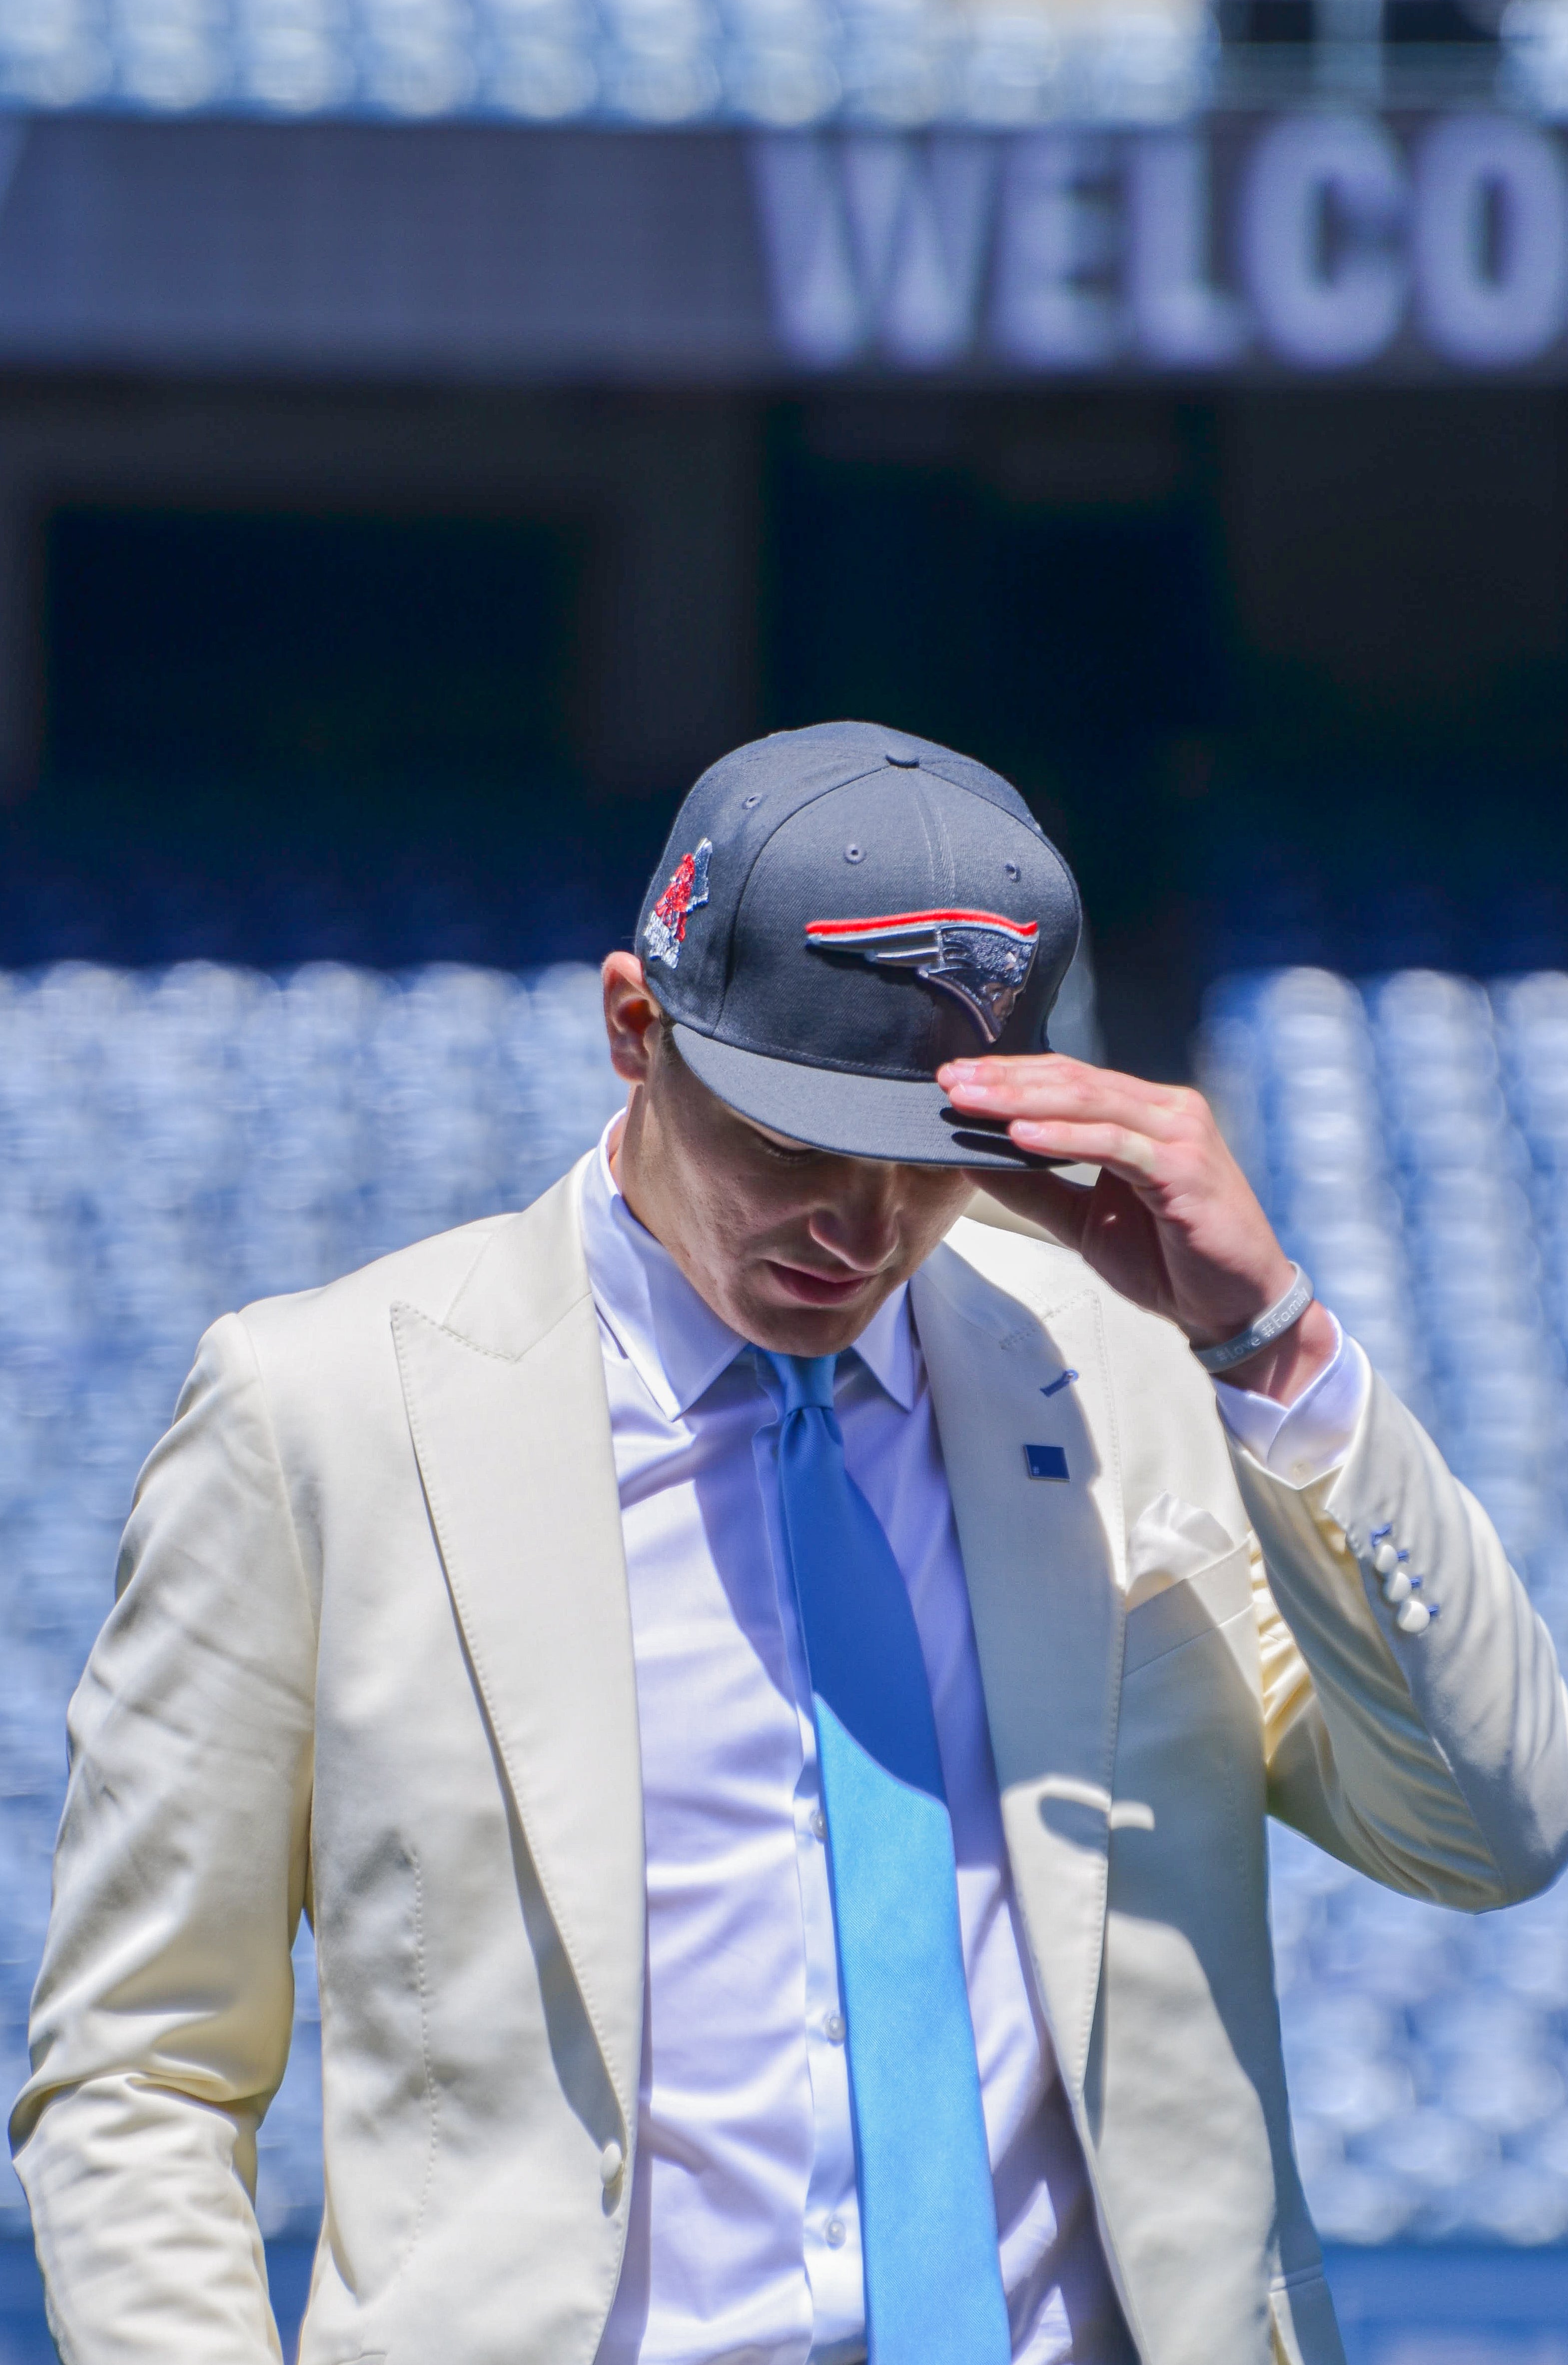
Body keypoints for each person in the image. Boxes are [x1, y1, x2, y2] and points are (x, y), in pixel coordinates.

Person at [11, 720, 1568, 2365]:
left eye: (925, 1162)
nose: (858, 1223)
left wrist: (1269, 1344)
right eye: (790, 1137)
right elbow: (143, 2067)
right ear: (635, 1026)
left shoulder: (1132, 1368)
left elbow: (1488, 1825)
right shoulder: (319, 1411)